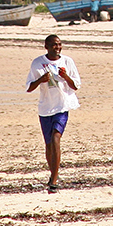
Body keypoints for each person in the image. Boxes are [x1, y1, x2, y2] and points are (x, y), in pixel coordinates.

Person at [26, 34, 81, 192]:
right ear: (46, 47)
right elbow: (29, 87)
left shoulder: (67, 61)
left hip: (62, 106)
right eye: (54, 45)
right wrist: (41, 80)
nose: (57, 48)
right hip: (45, 108)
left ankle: (54, 180)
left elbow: (76, 85)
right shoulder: (38, 63)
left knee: (56, 137)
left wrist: (65, 76)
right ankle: (52, 174)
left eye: (59, 44)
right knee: (49, 144)